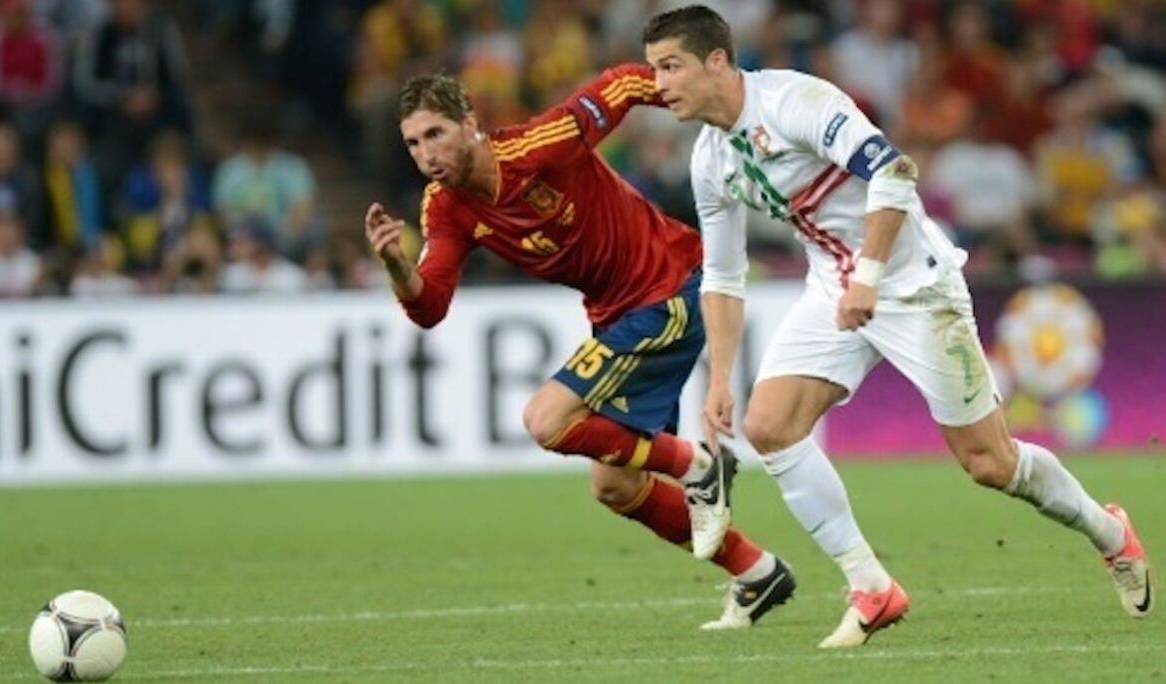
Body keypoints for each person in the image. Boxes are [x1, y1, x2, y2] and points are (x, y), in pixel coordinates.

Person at [640, 4, 1153, 648]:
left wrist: (870, 276)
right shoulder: (711, 159)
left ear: (717, 61)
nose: (659, 84)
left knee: (990, 463)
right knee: (770, 424)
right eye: (654, 69)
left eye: (671, 66)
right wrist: (719, 379)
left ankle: (1110, 534)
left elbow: (893, 171)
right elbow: (722, 275)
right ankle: (871, 587)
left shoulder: (796, 100)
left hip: (914, 285)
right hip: (834, 287)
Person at [364, 67, 796, 629]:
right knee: (616, 485)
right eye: (414, 143)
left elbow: (622, 85)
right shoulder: (445, 207)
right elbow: (430, 307)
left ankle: (697, 464)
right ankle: (756, 571)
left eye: (436, 134)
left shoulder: (538, 147)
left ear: (469, 124)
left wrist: (726, 106)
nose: (426, 153)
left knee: (547, 419)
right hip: (618, 314)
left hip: (669, 286)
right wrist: (397, 265)